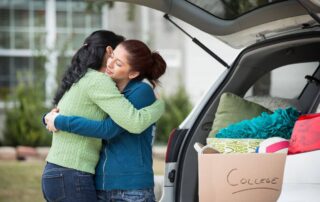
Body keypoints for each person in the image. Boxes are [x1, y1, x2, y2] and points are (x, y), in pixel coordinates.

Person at [41, 31, 165, 202]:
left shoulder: (139, 91)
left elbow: (110, 129)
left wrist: (159, 106)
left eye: (119, 63)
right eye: (112, 56)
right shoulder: (102, 85)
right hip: (88, 180)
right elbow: (79, 111)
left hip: (128, 186)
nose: (111, 64)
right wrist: (52, 118)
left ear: (133, 73)